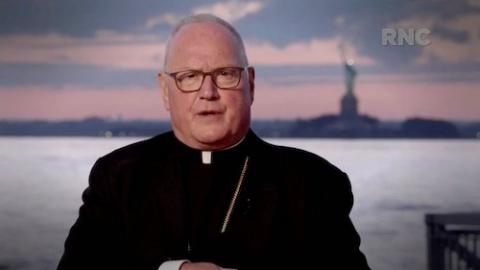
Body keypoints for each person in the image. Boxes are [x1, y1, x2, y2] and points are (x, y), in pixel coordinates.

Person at [57, 14, 370, 270]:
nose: (208, 92)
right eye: (189, 76)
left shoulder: (314, 182)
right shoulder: (118, 176)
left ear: (250, 84)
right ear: (165, 90)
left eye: (225, 74)